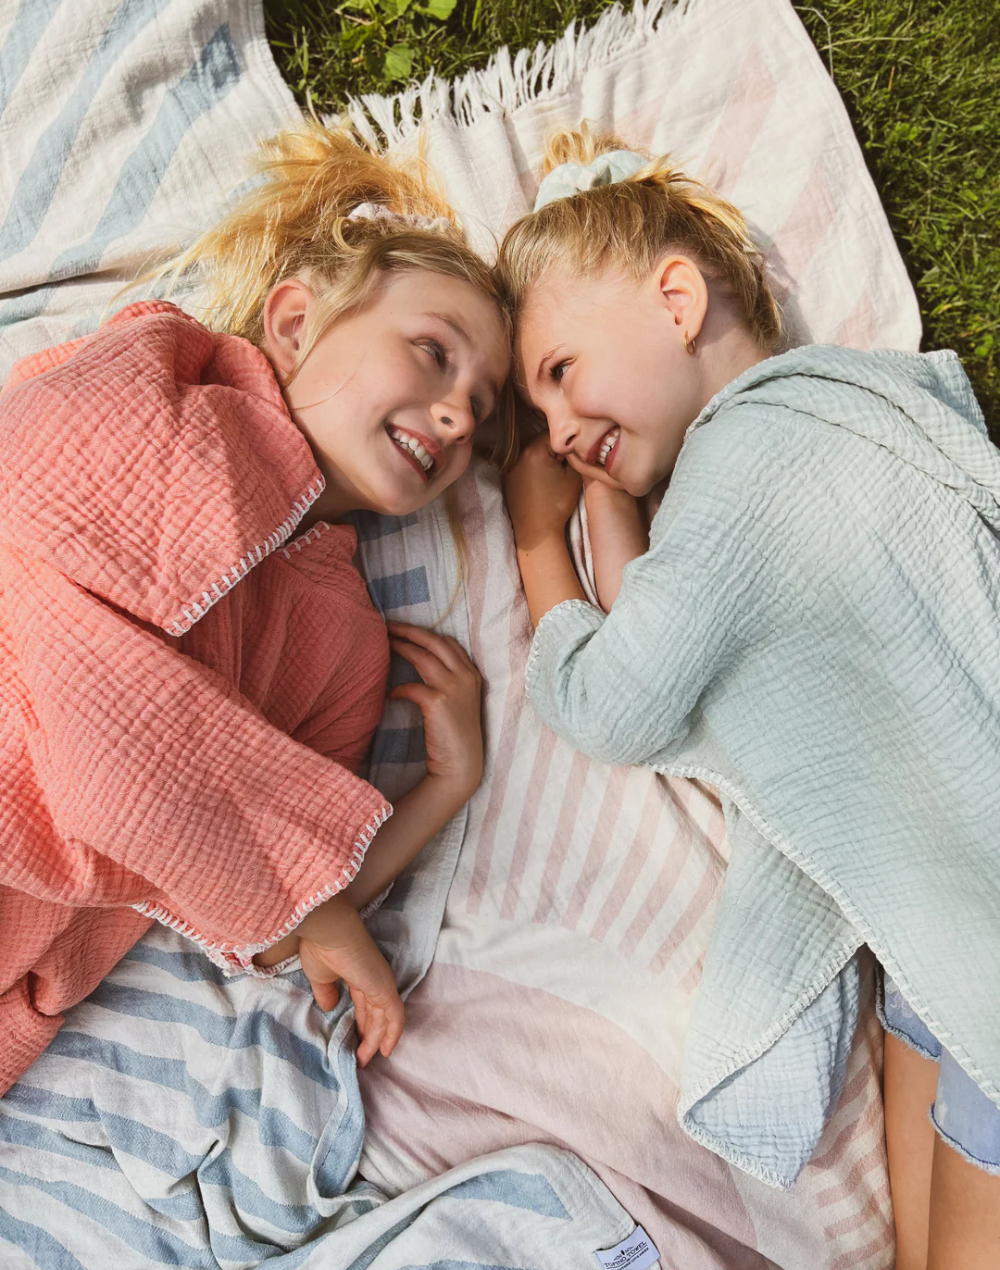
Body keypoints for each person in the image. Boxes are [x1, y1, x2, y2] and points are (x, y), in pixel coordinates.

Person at [499, 124, 1000, 1270]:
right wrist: (609, 499)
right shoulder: (849, 411)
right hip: (940, 935)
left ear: (676, 299)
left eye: (559, 372)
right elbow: (676, 630)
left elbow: (617, 698)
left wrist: (537, 544)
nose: (559, 429)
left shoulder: (741, 468)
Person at [0, 121, 510, 1088]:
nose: (456, 416)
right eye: (432, 353)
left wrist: (448, 785)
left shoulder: (346, 644)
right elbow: (34, 554)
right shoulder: (158, 378)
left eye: (481, 411)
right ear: (295, 321)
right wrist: (309, 901)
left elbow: (287, 911)